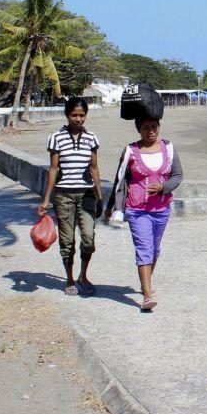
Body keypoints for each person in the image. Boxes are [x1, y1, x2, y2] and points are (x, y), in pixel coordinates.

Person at [105, 114, 184, 311]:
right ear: (138, 130)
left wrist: (163, 188)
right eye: (146, 127)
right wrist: (111, 207)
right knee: (144, 249)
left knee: (155, 249)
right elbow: (119, 179)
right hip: (137, 210)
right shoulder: (130, 151)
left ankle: (145, 283)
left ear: (159, 127)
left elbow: (177, 175)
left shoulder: (169, 148)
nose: (151, 131)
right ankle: (147, 295)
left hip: (162, 209)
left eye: (154, 127)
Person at [38, 98, 103, 297]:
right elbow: (53, 169)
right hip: (64, 195)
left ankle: (83, 275)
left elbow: (94, 168)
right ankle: (69, 278)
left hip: (87, 195)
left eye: (82, 115)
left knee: (88, 239)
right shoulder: (56, 138)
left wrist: (100, 197)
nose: (78, 119)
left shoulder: (92, 138)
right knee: (67, 242)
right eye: (74, 115)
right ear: (67, 115)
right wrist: (46, 200)